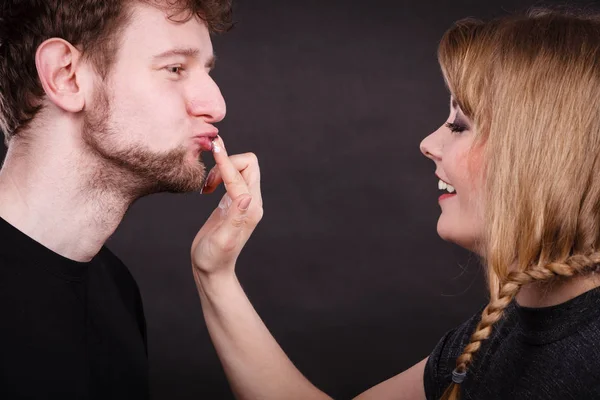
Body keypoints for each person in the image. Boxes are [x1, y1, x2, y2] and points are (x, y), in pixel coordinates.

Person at [193, 6, 600, 400]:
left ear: (538, 154)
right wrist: (215, 271)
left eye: (459, 125)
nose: (428, 144)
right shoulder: (494, 335)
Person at [0, 1, 257, 399]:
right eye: (175, 69)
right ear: (66, 77)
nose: (215, 105)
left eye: (207, 71)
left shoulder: (115, 291)